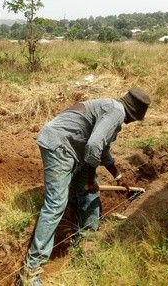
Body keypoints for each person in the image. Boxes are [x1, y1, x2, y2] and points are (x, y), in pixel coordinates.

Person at [18, 88, 151, 286]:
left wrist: (118, 176)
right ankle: (30, 272)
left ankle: (87, 241)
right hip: (60, 146)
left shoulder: (111, 108)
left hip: (73, 150)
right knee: (56, 204)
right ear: (134, 114)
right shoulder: (116, 112)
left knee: (87, 194)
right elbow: (94, 146)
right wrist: (90, 181)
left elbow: (102, 150)